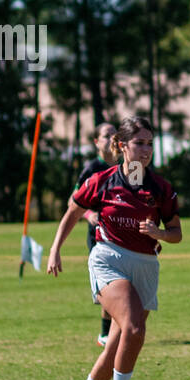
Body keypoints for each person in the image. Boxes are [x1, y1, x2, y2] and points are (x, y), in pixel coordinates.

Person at [48, 116, 182, 380]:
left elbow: (176, 232)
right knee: (133, 328)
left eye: (150, 143)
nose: (146, 149)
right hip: (108, 259)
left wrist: (158, 233)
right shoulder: (102, 180)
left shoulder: (160, 187)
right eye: (139, 143)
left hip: (146, 265)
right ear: (121, 146)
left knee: (119, 343)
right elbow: (73, 212)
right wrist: (55, 249)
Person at [76, 122, 118, 345]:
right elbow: (73, 200)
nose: (111, 138)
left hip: (121, 234)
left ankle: (113, 332)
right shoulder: (91, 168)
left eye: (114, 134)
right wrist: (88, 214)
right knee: (108, 286)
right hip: (98, 237)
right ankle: (105, 334)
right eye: (105, 135)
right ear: (96, 142)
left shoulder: (125, 165)